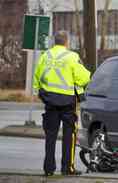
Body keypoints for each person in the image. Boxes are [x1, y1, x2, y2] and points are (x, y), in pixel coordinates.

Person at [33, 30, 91, 176]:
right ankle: (67, 168)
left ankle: (48, 169)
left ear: (54, 41)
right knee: (69, 136)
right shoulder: (72, 56)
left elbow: (37, 76)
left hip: (50, 101)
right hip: (67, 102)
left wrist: (40, 93)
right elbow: (83, 79)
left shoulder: (45, 55)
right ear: (67, 42)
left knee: (50, 136)